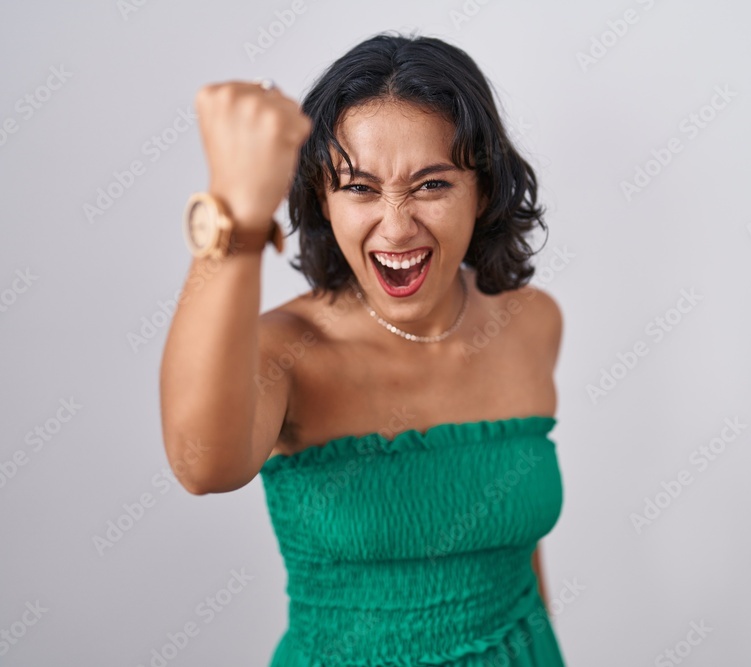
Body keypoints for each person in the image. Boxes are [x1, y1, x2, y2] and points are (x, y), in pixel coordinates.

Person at [159, 32, 566, 666]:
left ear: (483, 189)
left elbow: (516, 551)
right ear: (322, 199)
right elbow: (201, 466)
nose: (397, 225)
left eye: (432, 185)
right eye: (360, 187)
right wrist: (235, 214)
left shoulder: (532, 323)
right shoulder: (286, 352)